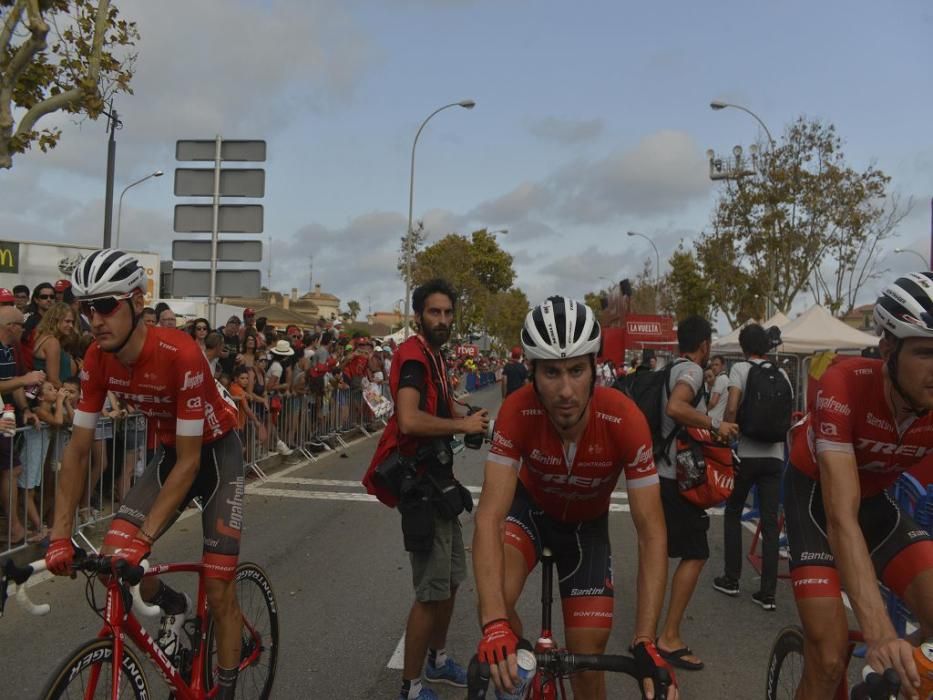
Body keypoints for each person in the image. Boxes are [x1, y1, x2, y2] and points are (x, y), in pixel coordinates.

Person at [44, 250, 246, 699]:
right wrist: (60, 536)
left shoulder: (182, 353)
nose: (94, 319)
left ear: (137, 300)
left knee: (218, 588)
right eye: (86, 307)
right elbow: (77, 453)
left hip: (216, 456)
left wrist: (146, 540)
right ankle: (172, 604)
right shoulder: (97, 360)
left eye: (106, 305)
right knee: (111, 561)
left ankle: (226, 689)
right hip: (173, 454)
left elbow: (193, 462)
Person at [473, 297, 676, 700]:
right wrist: (495, 621)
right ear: (531, 371)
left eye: (576, 371)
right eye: (551, 372)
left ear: (594, 368)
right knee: (495, 593)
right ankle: (522, 661)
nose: (566, 390)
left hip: (587, 530)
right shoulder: (517, 411)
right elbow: (489, 518)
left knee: (587, 660)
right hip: (528, 513)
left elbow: (651, 532)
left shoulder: (625, 419)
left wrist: (645, 639)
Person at [784, 273, 933, 700]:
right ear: (888, 348)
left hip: (876, 503)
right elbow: (840, 516)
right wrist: (881, 633)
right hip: (815, 500)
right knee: (829, 659)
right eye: (926, 352)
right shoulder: (843, 384)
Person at [363, 279, 489, 700]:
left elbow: (443, 405)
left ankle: (436, 660)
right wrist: (462, 425)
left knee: (451, 579)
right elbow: (410, 419)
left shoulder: (434, 355)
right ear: (419, 315)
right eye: (435, 312)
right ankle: (411, 687)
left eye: (448, 313)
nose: (443, 320)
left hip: (441, 484)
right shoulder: (413, 357)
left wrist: (470, 415)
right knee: (431, 591)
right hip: (421, 487)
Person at [655, 316, 738, 672]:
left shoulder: (671, 366)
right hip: (678, 479)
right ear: (704, 344)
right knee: (696, 552)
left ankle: (646, 634)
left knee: (657, 551)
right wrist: (717, 424)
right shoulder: (690, 371)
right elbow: (677, 408)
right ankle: (669, 636)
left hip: (659, 474)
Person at [713, 325, 791, 610]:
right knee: (770, 523)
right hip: (775, 457)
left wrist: (727, 434)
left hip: (747, 454)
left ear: (744, 346)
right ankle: (767, 594)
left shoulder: (740, 370)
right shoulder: (781, 373)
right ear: (768, 346)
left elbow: (732, 407)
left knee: (733, 510)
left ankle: (731, 578)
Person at [0, 306, 44, 544]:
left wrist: (26, 410)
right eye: (21, 326)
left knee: (13, 469)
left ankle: (15, 527)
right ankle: (14, 528)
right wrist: (26, 379)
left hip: (5, 418)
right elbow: (11, 382)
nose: (24, 330)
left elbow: (12, 384)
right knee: (12, 470)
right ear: (11, 327)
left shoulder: (8, 350)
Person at [31, 301, 77, 387]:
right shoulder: (52, 342)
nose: (71, 326)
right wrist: (66, 396)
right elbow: (53, 380)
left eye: (72, 322)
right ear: (55, 320)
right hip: (56, 396)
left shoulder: (43, 337)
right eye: (67, 321)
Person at [705, 354, 729, 427]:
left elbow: (713, 402)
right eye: (712, 365)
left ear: (723, 366)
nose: (714, 367)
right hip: (718, 418)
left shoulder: (720, 379)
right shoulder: (725, 379)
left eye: (717, 365)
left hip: (712, 418)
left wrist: (704, 412)